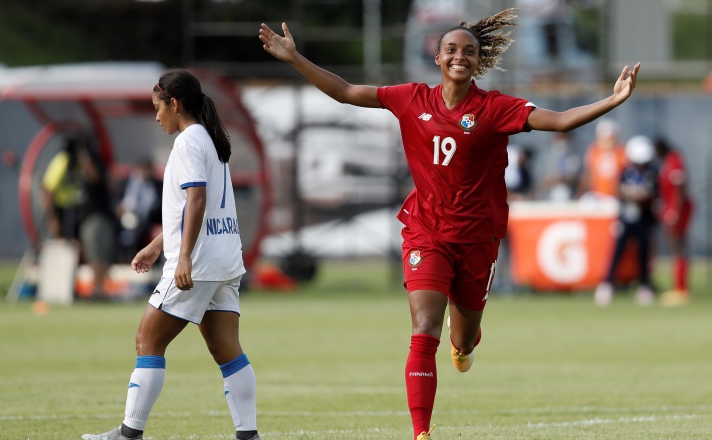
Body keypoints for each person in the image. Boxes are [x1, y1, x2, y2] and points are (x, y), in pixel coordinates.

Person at [260, 8, 640, 439]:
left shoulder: (495, 108)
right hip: (426, 232)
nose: (460, 57)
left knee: (463, 339)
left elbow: (558, 120)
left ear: (478, 62)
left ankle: (466, 346)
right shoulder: (411, 98)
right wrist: (294, 58)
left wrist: (612, 100)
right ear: (438, 58)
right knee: (424, 329)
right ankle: (422, 432)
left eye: (469, 52)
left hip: (477, 240)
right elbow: (346, 91)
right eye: (451, 50)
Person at [81, 70, 260, 440]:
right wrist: (157, 245)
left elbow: (196, 199)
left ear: (174, 104)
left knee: (147, 340)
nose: (156, 116)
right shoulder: (211, 139)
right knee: (227, 350)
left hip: (200, 263)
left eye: (157, 108)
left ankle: (129, 434)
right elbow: (194, 207)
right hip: (225, 259)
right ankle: (249, 435)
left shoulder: (188, 142)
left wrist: (183, 258)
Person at [42, 133, 116, 298]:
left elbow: (95, 178)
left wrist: (85, 157)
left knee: (95, 252)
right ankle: (73, 288)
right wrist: (53, 217)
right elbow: (47, 188)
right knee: (81, 250)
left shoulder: (93, 160)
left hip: (90, 214)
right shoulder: (64, 161)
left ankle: (97, 289)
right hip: (72, 214)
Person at [593, 135, 658, 307]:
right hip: (626, 217)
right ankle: (607, 284)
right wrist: (631, 194)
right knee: (617, 251)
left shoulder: (651, 172)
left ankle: (644, 285)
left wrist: (639, 196)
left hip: (644, 218)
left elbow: (651, 195)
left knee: (643, 253)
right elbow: (619, 190)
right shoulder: (626, 172)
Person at [654, 137, 694, 306]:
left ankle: (681, 289)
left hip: (677, 210)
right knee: (676, 247)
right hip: (673, 209)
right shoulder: (670, 161)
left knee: (678, 247)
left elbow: (679, 188)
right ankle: (679, 287)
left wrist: (674, 211)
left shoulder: (674, 161)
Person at [115, 158, 162, 262]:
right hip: (125, 217)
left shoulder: (156, 186)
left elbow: (157, 206)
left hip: (146, 221)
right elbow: (118, 202)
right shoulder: (127, 183)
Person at [577, 118, 626, 199]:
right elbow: (588, 174)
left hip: (616, 197)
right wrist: (580, 194)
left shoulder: (621, 152)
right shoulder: (593, 150)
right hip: (597, 195)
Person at [540, 131, 581, 201]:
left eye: (564, 138)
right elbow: (540, 181)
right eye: (559, 138)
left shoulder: (575, 157)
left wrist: (566, 179)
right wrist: (554, 179)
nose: (562, 142)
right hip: (548, 198)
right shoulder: (545, 157)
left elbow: (580, 181)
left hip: (571, 197)